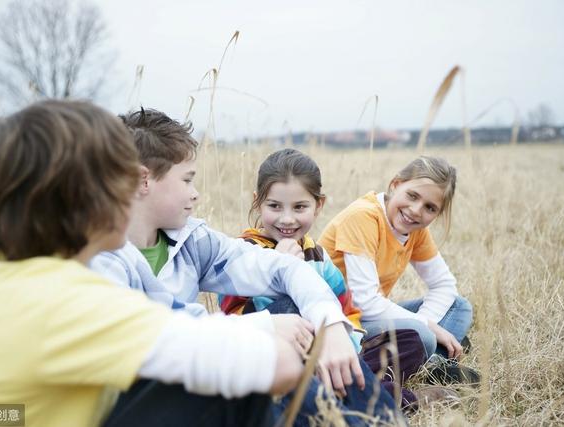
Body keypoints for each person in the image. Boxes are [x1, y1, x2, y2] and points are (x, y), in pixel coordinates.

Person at [0, 100, 304, 427]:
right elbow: (279, 365)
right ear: (86, 201)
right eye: (120, 179)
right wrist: (266, 328)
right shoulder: (69, 302)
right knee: (233, 390)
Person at [89, 108, 397, 423]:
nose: (196, 194)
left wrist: (330, 325)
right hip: (139, 403)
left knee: (290, 307)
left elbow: (283, 269)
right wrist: (262, 327)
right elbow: (153, 338)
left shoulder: (190, 241)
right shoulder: (99, 259)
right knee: (267, 338)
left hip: (197, 384)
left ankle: (380, 419)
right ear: (143, 180)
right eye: (187, 179)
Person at [220, 148, 460, 413]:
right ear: (258, 202)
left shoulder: (316, 253)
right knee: (289, 308)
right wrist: (275, 269)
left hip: (331, 352)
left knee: (411, 342)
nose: (287, 219)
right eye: (275, 206)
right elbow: (237, 317)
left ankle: (348, 378)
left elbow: (346, 308)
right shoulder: (244, 252)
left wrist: (349, 348)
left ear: (318, 205)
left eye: (299, 207)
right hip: (279, 357)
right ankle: (392, 398)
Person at [318, 156, 479, 383]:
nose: (415, 210)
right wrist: (428, 326)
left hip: (369, 315)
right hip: (342, 321)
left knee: (459, 306)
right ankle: (434, 356)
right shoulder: (363, 217)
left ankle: (433, 360)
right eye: (412, 196)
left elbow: (444, 285)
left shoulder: (416, 230)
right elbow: (364, 301)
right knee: (422, 334)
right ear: (396, 184)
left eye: (430, 208)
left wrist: (424, 321)